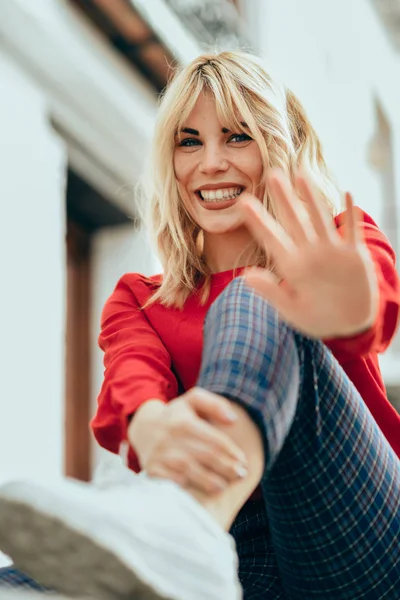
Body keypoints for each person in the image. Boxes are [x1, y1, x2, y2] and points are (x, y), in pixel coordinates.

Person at [0, 50, 399, 600]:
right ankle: (179, 528)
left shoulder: (331, 244)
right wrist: (151, 427)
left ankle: (184, 520)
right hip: (230, 555)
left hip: (358, 534)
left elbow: (373, 305)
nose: (210, 162)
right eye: (189, 141)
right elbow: (132, 381)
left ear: (279, 146)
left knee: (254, 294)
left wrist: (351, 314)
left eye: (238, 136)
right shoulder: (138, 300)